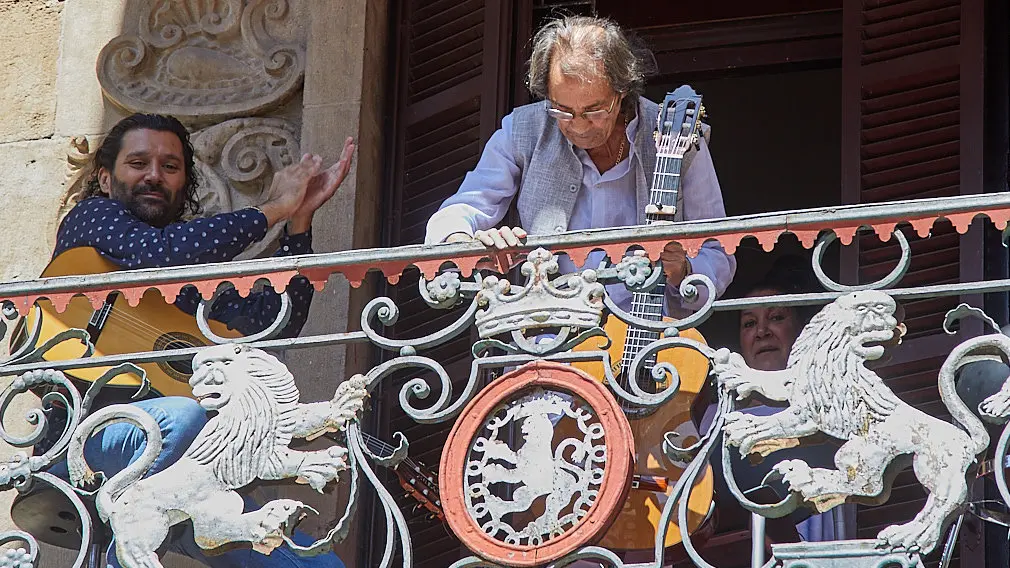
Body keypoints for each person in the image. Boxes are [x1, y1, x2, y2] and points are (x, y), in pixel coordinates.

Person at [38, 113, 355, 567]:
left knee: (320, 564)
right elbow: (161, 252)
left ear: (184, 184)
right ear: (105, 179)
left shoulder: (188, 290)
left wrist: (298, 224)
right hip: (82, 439)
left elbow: (270, 324)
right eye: (138, 162)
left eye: (170, 166)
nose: (153, 175)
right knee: (182, 415)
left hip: (186, 479)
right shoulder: (92, 219)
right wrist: (273, 208)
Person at [424, 15, 735, 316]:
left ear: (621, 91)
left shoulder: (676, 135)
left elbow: (717, 252)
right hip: (550, 341)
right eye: (562, 111)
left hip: (649, 343)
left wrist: (684, 270)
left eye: (594, 110)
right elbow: (457, 212)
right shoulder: (523, 130)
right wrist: (465, 241)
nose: (579, 126)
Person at [705, 256, 855, 546]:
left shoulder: (828, 401)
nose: (762, 332)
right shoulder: (712, 416)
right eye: (749, 323)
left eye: (775, 318)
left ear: (799, 331)